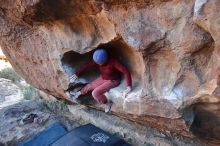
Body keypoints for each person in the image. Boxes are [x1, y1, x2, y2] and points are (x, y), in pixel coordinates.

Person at [69, 49, 132, 113]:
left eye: (99, 63)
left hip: (113, 80)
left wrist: (128, 87)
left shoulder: (113, 62)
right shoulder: (98, 59)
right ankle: (79, 93)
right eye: (97, 62)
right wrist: (77, 74)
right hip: (103, 77)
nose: (98, 64)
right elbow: (87, 65)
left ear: (105, 60)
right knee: (90, 85)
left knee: (95, 93)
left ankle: (107, 103)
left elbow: (126, 71)